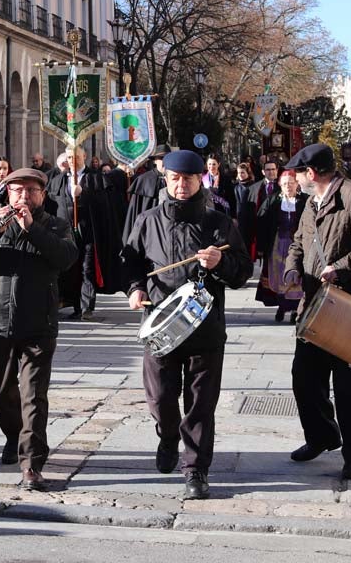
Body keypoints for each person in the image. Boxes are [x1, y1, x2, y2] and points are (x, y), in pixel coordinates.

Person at [123, 150, 251, 499]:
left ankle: (196, 469)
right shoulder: (148, 220)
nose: (181, 185)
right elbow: (131, 262)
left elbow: (242, 272)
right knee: (162, 397)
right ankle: (167, 435)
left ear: (201, 181)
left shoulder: (219, 223)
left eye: (189, 179)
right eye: (175, 179)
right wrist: (135, 289)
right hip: (160, 325)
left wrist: (222, 261)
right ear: (166, 180)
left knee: (200, 404)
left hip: (205, 328)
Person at [0, 167, 78, 490]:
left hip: (39, 324)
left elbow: (67, 257)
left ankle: (31, 463)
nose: (23, 196)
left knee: (33, 396)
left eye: (31, 190)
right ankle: (15, 435)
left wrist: (32, 230)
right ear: (6, 194)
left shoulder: (54, 224)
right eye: (17, 190)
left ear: (42, 194)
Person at [284, 143, 351, 480]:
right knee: (305, 379)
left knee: (350, 388)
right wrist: (291, 270)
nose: (296, 178)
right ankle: (321, 436)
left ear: (311, 173)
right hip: (315, 306)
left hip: (349, 306)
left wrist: (341, 267)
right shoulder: (311, 202)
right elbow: (299, 243)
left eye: (298, 172)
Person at [47, 145, 118, 320]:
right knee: (69, 269)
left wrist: (84, 193)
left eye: (76, 157)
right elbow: (51, 206)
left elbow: (105, 205)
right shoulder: (58, 180)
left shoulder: (96, 179)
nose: (72, 161)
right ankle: (74, 305)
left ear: (84, 156)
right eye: (69, 157)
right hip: (65, 232)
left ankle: (87, 307)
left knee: (87, 268)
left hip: (88, 231)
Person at [253, 169, 307, 322]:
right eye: (284, 184)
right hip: (277, 245)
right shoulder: (272, 201)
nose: (288, 186)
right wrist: (261, 248)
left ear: (297, 184)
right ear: (279, 185)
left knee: (296, 275)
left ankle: (296, 309)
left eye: (291, 183)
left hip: (297, 246)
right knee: (279, 277)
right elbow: (262, 224)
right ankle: (282, 307)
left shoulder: (304, 201)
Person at [122, 144, 171, 234]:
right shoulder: (144, 180)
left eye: (167, 158)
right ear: (155, 161)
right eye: (161, 158)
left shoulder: (176, 180)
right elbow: (135, 212)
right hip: (148, 230)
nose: (164, 161)